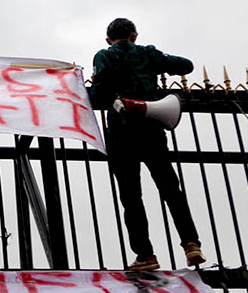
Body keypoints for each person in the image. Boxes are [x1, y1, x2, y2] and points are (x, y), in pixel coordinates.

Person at [88, 18, 205, 271]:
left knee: (131, 196)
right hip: (152, 126)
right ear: (133, 35)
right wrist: (155, 59)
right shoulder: (147, 54)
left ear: (109, 40)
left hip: (121, 132)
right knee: (171, 189)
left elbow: (97, 95)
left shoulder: (104, 56)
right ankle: (191, 244)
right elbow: (186, 66)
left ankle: (145, 255)